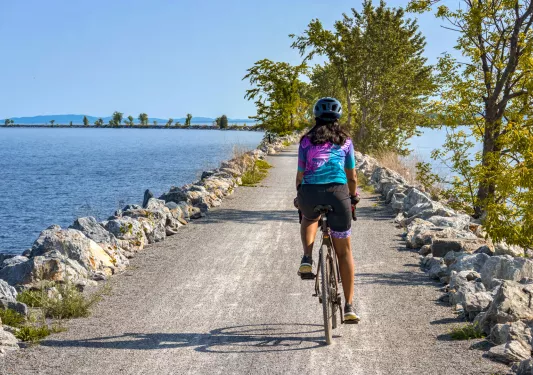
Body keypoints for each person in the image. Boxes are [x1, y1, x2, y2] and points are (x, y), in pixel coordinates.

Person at [295, 97, 360, 323]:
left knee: (308, 216)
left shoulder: (305, 141)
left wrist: (299, 196)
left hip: (310, 192)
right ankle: (349, 306)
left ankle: (306, 257)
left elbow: (300, 175)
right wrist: (353, 198)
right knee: (344, 251)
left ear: (316, 117)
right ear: (338, 118)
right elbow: (351, 176)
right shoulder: (346, 142)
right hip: (338, 193)